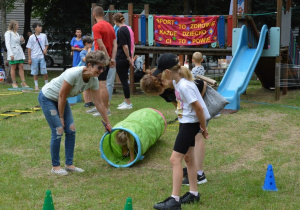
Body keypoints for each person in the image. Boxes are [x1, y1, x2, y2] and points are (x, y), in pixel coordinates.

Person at [38, 50, 112, 176]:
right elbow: (62, 95)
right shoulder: (73, 73)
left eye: (103, 69)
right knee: (58, 129)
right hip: (48, 97)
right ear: (89, 65)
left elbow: (99, 103)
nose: (101, 71)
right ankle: (55, 166)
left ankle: (69, 165)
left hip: (61, 99)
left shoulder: (93, 80)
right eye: (99, 68)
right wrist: (61, 117)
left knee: (71, 129)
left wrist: (108, 123)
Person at [141, 53, 208, 186]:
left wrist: (193, 107)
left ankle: (199, 174)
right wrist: (181, 111)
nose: (156, 95)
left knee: (196, 137)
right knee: (188, 153)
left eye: (155, 93)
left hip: (196, 112)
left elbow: (201, 86)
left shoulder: (178, 83)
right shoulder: (169, 87)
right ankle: (193, 179)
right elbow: (177, 101)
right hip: (188, 115)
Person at [153, 62, 210, 209]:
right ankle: (193, 193)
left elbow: (199, 108)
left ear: (167, 71)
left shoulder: (185, 86)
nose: (161, 77)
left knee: (174, 160)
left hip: (190, 124)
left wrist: (203, 127)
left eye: (162, 73)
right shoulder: (177, 82)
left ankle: (174, 200)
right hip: (185, 121)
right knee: (188, 158)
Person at [90, 6, 117, 117]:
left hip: (100, 59)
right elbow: (115, 44)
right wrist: (112, 58)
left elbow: (100, 45)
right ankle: (99, 107)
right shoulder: (110, 26)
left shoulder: (96, 27)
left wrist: (107, 59)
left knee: (101, 84)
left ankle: (105, 110)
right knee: (97, 84)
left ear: (94, 14)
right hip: (107, 58)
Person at [113, 13, 134, 110]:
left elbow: (125, 46)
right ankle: (126, 100)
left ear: (115, 21)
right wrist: (130, 57)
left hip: (122, 58)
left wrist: (128, 58)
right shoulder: (128, 29)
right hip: (125, 58)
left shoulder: (120, 30)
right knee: (125, 80)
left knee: (124, 81)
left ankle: (128, 102)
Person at [4, 20, 29, 88]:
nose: (18, 26)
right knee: (13, 67)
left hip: (19, 52)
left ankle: (23, 82)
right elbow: (8, 44)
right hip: (13, 52)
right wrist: (11, 54)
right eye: (17, 25)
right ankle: (14, 83)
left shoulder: (17, 33)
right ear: (14, 25)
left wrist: (22, 41)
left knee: (21, 66)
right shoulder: (8, 33)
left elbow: (18, 43)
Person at [26, 22, 49, 90]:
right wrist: (29, 58)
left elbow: (46, 44)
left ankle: (46, 85)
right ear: (35, 28)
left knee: (44, 71)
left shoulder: (44, 36)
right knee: (35, 71)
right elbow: (29, 48)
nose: (41, 28)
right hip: (34, 56)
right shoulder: (31, 37)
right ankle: (36, 85)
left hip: (42, 56)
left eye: (41, 27)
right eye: (39, 27)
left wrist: (45, 49)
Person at [78, 36, 94, 108]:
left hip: (90, 71)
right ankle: (86, 101)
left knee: (90, 86)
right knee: (85, 87)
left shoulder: (90, 51)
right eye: (91, 44)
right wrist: (89, 51)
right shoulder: (82, 52)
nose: (92, 45)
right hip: (84, 71)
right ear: (86, 43)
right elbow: (86, 60)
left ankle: (90, 101)